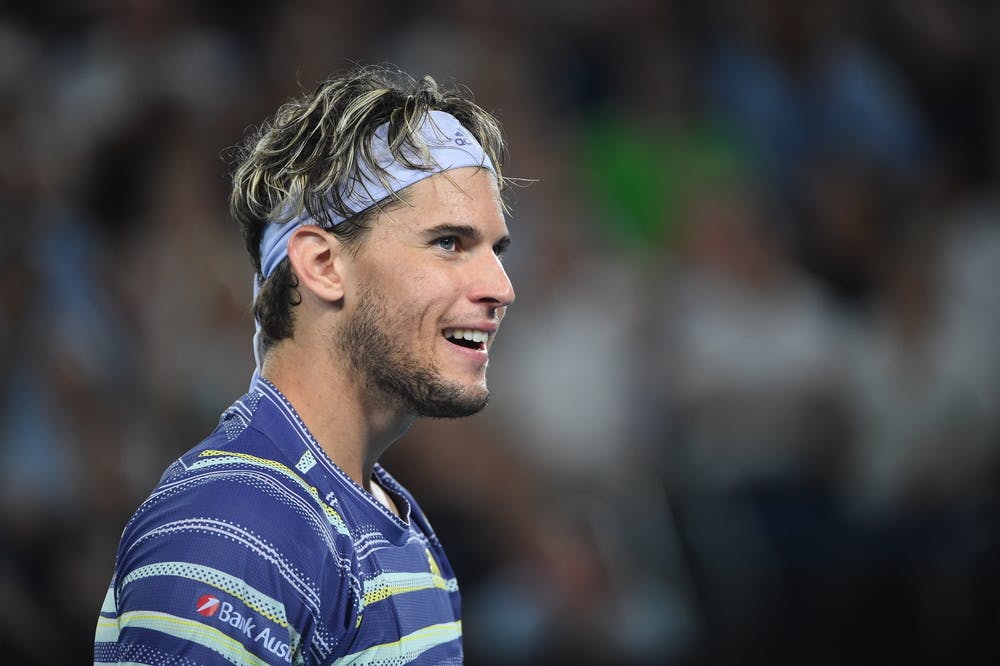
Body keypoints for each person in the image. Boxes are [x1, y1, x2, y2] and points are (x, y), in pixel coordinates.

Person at [94, 65, 515, 665]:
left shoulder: (397, 528)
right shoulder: (234, 523)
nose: (501, 287)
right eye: (449, 242)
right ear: (322, 265)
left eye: (495, 250)